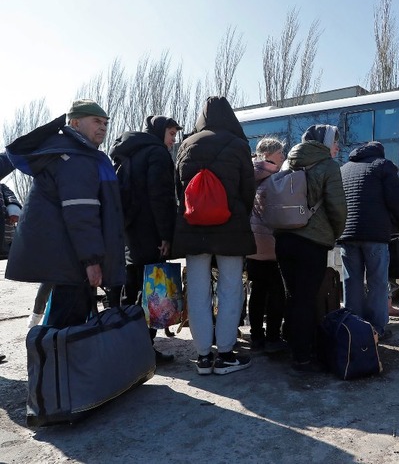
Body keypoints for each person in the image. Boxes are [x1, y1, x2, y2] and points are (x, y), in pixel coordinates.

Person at [5, 100, 125, 329]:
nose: (103, 127)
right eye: (96, 121)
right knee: (67, 329)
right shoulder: (75, 158)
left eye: (105, 123)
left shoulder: (74, 153)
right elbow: (81, 213)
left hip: (67, 257)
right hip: (72, 261)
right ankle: (54, 365)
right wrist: (91, 261)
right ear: (76, 123)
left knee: (65, 325)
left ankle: (57, 363)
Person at [172, 96, 256, 375]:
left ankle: (204, 356)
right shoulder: (238, 145)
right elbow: (248, 190)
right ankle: (226, 354)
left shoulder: (186, 145)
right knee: (230, 288)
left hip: (194, 227)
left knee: (197, 289)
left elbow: (179, 190)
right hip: (230, 227)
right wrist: (237, 211)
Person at [109, 115, 182, 364]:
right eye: (171, 134)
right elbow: (160, 197)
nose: (173, 140)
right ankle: (143, 349)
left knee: (131, 290)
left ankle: (125, 345)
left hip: (130, 230)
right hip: (150, 232)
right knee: (151, 293)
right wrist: (165, 235)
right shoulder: (157, 154)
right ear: (160, 132)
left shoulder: (130, 151)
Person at [275, 124, 346, 373]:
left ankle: (292, 344)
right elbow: (337, 208)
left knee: (292, 295)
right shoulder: (328, 166)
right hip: (312, 241)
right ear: (324, 142)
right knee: (306, 298)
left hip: (284, 239)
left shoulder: (288, 163)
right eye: (335, 141)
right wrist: (333, 234)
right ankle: (303, 355)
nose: (338, 146)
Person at [339, 141, 399, 339]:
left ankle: (353, 327)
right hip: (375, 234)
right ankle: (376, 329)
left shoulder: (344, 168)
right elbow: (395, 200)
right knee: (377, 281)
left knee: (352, 280)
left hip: (347, 234)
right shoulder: (383, 166)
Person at [247, 136, 288, 354]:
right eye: (279, 152)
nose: (282, 156)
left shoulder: (248, 172)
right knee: (277, 292)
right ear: (268, 154)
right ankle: (272, 337)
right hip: (270, 243)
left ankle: (256, 337)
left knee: (257, 291)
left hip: (251, 243)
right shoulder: (273, 177)